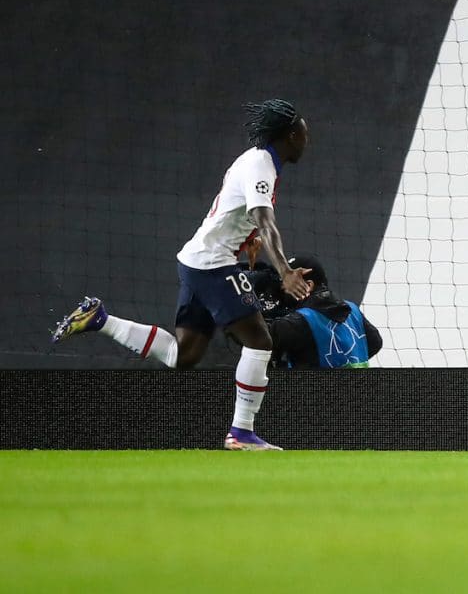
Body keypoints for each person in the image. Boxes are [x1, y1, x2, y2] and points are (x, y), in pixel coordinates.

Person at [51, 99, 313, 451]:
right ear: (290, 135)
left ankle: (101, 319)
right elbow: (265, 220)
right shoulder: (261, 165)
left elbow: (240, 216)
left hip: (195, 261)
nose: (306, 141)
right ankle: (242, 433)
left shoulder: (258, 162)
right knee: (260, 342)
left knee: (182, 356)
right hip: (213, 265)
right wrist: (284, 270)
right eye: (304, 134)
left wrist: (247, 241)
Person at [245, 253, 383, 369]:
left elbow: (253, 336)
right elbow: (375, 343)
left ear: (308, 286)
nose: (283, 291)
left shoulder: (298, 322)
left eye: (287, 284)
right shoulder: (352, 309)